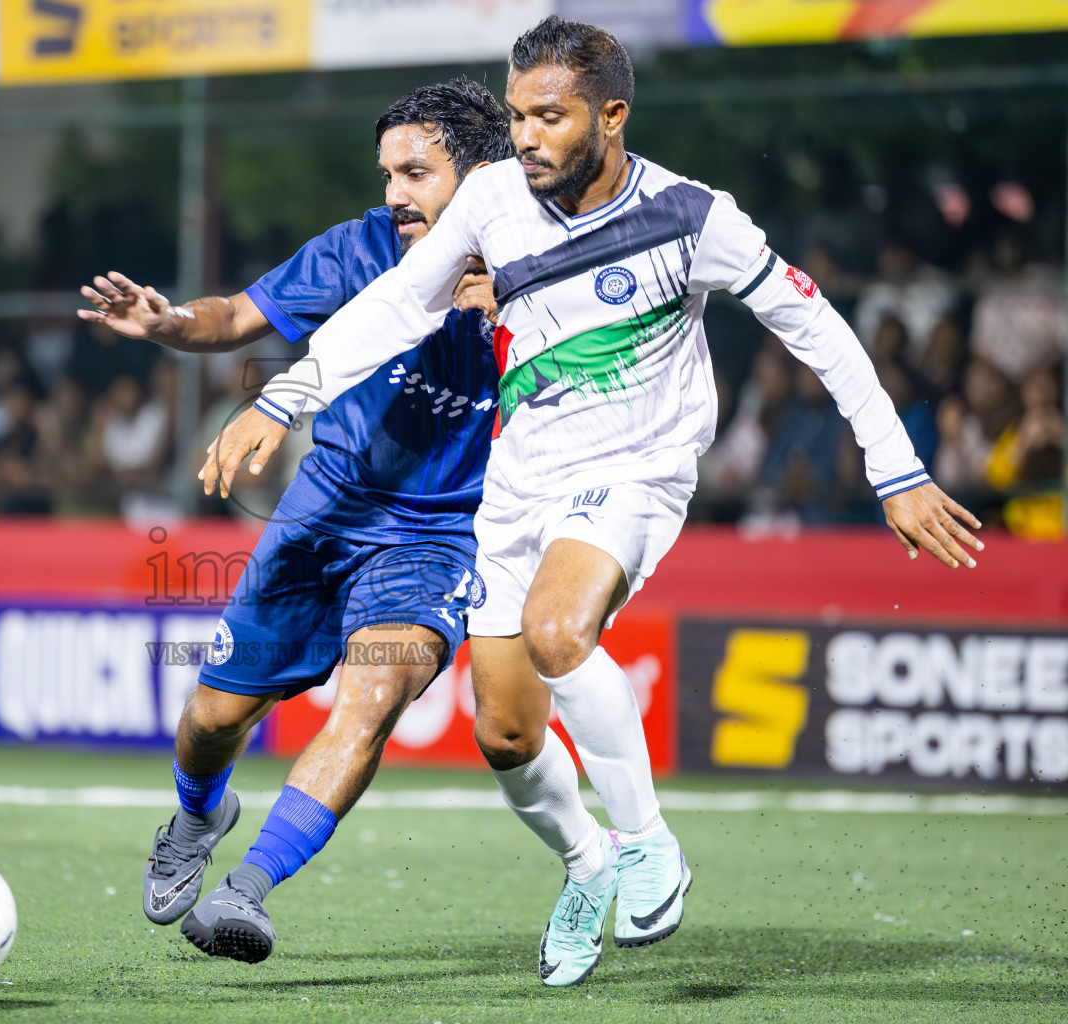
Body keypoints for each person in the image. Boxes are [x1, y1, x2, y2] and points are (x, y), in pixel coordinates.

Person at [202, 17, 984, 987]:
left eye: (551, 116)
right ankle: (589, 862)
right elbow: (403, 303)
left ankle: (647, 839)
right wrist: (286, 396)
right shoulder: (493, 197)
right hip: (521, 480)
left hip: (639, 465)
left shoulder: (693, 218)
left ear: (611, 116)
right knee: (506, 732)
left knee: (558, 629)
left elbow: (815, 326)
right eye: (518, 113)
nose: (526, 135)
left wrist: (896, 468)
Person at [79, 78, 512, 964]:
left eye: (417, 173)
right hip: (325, 512)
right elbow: (236, 316)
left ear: (480, 177)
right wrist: (167, 322)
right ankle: (201, 817)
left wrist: (517, 314)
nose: (395, 193)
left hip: (438, 536)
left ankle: (250, 889)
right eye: (388, 172)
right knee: (209, 718)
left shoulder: (541, 270)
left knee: (370, 700)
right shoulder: (359, 248)